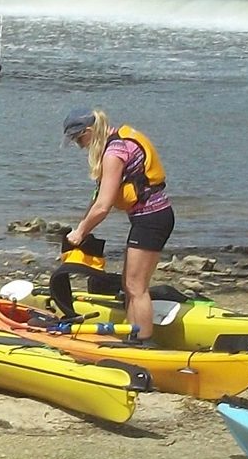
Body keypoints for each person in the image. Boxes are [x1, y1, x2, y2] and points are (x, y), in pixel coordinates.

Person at [63, 107, 173, 347]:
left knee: (136, 286)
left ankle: (144, 341)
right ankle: (133, 337)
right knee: (130, 284)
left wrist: (81, 232)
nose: (79, 145)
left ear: (90, 131)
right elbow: (97, 199)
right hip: (148, 219)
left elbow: (103, 206)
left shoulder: (114, 153)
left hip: (152, 220)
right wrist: (82, 227)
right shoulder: (113, 142)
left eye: (78, 138)